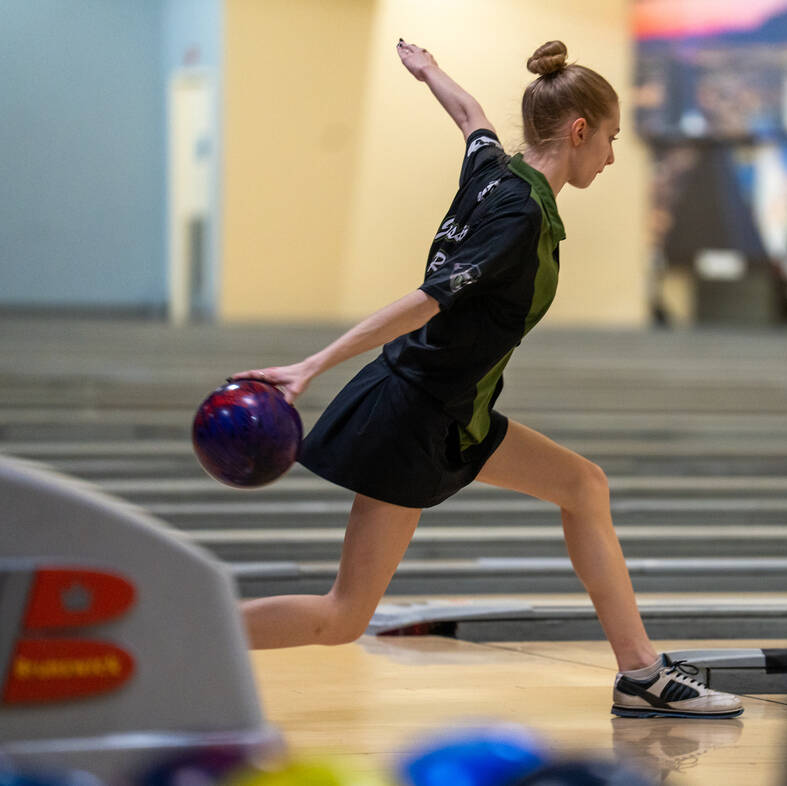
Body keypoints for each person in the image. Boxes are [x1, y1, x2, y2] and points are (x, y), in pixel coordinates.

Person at [232, 39, 743, 720]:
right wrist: (310, 365)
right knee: (343, 616)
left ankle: (640, 673)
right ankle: (180, 633)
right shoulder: (519, 215)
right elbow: (427, 297)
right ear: (579, 131)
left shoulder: (491, 170)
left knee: (582, 485)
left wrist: (428, 71)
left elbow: (469, 114)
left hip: (456, 412)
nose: (614, 157)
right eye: (612, 139)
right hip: (415, 420)